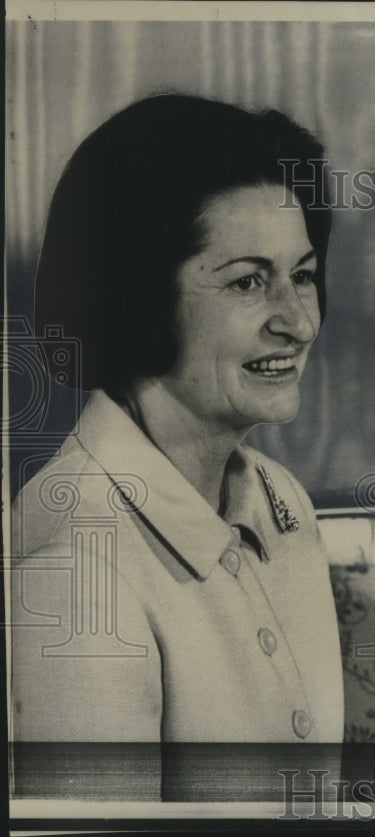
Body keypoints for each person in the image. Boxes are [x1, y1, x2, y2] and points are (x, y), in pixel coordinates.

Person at [10, 95, 344, 783]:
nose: (298, 322)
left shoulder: (284, 503)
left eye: (303, 277)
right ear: (137, 296)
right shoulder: (76, 564)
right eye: (250, 281)